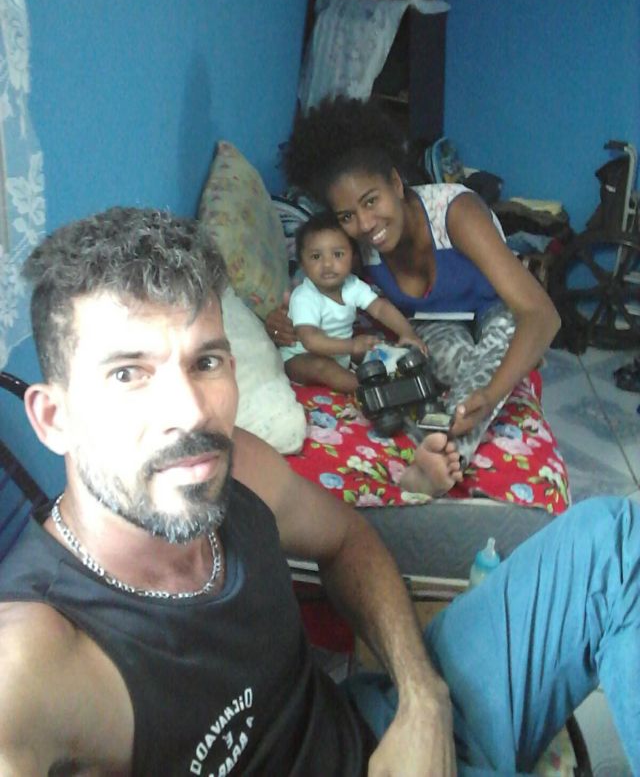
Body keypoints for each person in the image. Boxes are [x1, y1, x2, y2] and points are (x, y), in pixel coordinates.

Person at [0, 207, 638, 776]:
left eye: (206, 362)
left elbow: (346, 536)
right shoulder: (38, 658)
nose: (190, 412)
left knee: (616, 542)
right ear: (53, 419)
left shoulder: (235, 465)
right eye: (128, 373)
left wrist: (422, 699)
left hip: (377, 725)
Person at [267, 96, 562, 496]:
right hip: (435, 326)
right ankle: (434, 437)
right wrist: (280, 319)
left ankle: (443, 454)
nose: (365, 224)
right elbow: (310, 287)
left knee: (504, 344)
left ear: (395, 182)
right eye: (347, 216)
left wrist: (491, 393)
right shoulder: (356, 244)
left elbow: (542, 314)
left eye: (371, 201)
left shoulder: (455, 213)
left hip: (499, 311)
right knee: (420, 364)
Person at [281, 211, 426, 392]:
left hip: (341, 353)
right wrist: (352, 346)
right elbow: (311, 341)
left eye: (338, 254)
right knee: (323, 367)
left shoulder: (352, 285)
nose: (327, 264)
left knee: (377, 347)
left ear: (353, 257)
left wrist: (407, 333)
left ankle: (403, 374)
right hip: (300, 357)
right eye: (316, 257)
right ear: (302, 263)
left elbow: (380, 308)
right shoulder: (304, 296)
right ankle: (372, 391)